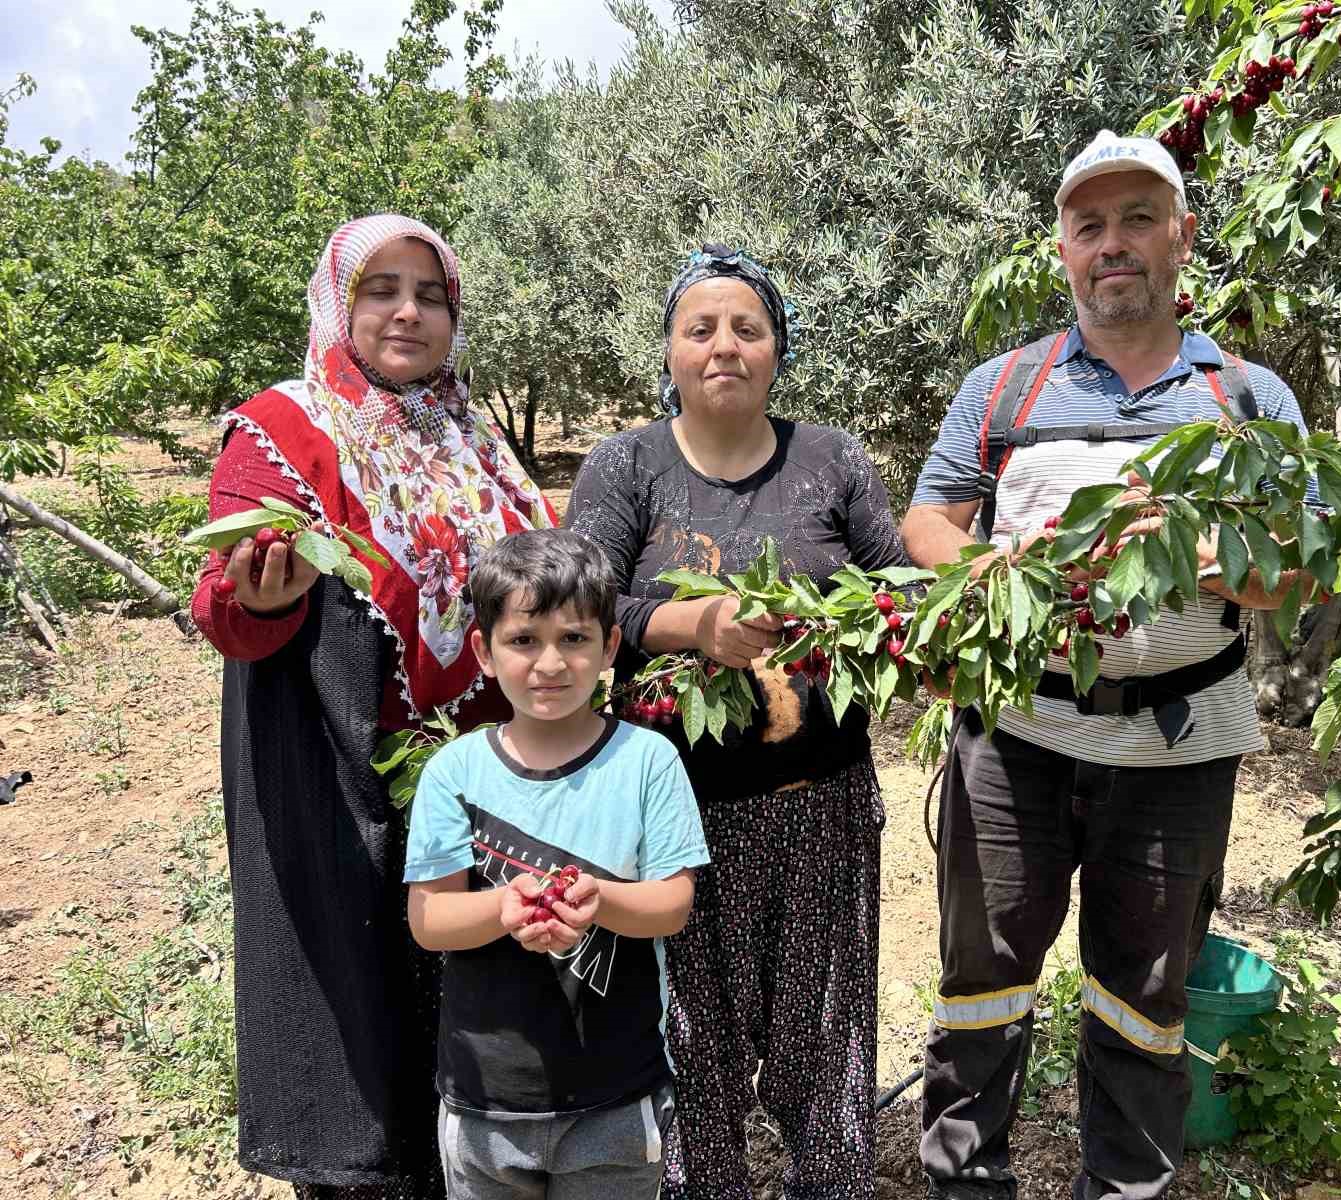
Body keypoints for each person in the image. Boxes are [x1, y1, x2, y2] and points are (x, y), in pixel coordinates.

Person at [902, 131, 1315, 1200]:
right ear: (1062, 251)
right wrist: (1001, 564)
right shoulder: (1002, 389)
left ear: (1180, 236)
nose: (1114, 244)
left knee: (1143, 994)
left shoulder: (1249, 401)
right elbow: (928, 525)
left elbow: (1309, 562)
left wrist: (1221, 557)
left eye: (1138, 220)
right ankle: (965, 1182)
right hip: (1017, 740)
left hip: (1177, 748)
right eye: (1090, 226)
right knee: (982, 982)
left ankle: (1125, 1189)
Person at [190, 214, 557, 1199]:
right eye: (380, 290)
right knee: (364, 1047)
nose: (407, 312)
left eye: (429, 294)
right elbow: (225, 609)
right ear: (336, 303)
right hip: (345, 793)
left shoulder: (474, 442)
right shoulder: (284, 430)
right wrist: (255, 600)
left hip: (484, 796)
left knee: (481, 1051)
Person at [564, 243, 909, 1200]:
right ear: (668, 351)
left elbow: (898, 593)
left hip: (823, 809)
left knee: (826, 1040)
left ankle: (827, 1184)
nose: (724, 345)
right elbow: (580, 609)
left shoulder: (832, 460)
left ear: (778, 349)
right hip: (676, 819)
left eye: (747, 328)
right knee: (691, 1049)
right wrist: (690, 625)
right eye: (700, 328)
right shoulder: (624, 466)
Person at [404, 528, 709, 1200]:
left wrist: (600, 900)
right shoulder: (453, 772)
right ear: (484, 651)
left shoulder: (647, 762)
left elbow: (674, 902)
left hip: (615, 1097)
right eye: (524, 640)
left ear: (609, 647)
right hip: (487, 1105)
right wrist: (501, 907)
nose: (550, 662)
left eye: (574, 639)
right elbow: (429, 918)